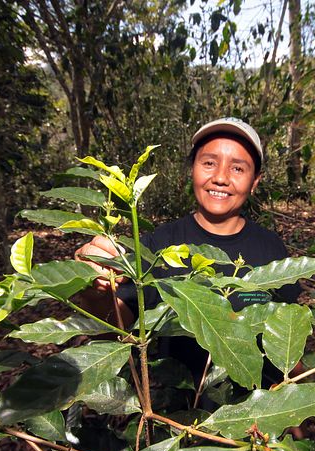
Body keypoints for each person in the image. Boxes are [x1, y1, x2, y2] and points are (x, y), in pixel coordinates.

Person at [74, 117, 300, 384]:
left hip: (258, 418)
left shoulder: (271, 248)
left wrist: (297, 412)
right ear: (192, 169)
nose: (220, 178)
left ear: (255, 181)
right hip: (177, 415)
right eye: (209, 163)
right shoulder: (156, 246)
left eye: (238, 168)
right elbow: (118, 332)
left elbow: (287, 335)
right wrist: (95, 292)